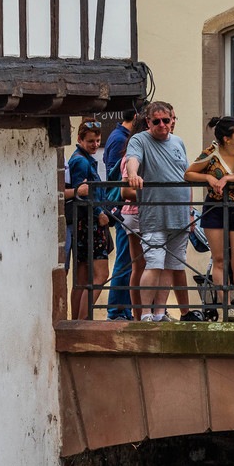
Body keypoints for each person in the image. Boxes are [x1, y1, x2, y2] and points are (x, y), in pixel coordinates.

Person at [123, 101, 193, 322]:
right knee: (153, 264)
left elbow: (186, 176)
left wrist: (190, 211)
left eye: (167, 120)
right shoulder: (139, 139)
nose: (162, 125)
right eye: (157, 121)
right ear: (148, 121)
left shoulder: (178, 142)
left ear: (172, 120)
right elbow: (133, 159)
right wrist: (133, 174)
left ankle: (160, 312)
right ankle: (145, 313)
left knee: (171, 266)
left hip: (180, 215)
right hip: (154, 215)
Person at [184, 117, 234, 318]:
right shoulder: (211, 152)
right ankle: (226, 307)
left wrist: (227, 178)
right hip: (215, 208)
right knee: (219, 259)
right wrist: (208, 177)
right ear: (227, 139)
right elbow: (189, 174)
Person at [66, 121, 111, 320]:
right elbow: (81, 194)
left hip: (83, 223)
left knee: (82, 279)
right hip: (90, 224)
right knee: (100, 275)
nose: (95, 145)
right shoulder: (81, 161)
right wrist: (99, 212)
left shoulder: (83, 159)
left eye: (98, 141)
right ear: (80, 140)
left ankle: (77, 321)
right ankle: (83, 321)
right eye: (90, 141)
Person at [102, 109, 139, 320]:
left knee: (131, 261)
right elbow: (118, 175)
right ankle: (116, 310)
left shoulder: (121, 138)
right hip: (124, 208)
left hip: (125, 208)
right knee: (125, 262)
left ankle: (125, 309)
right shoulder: (121, 140)